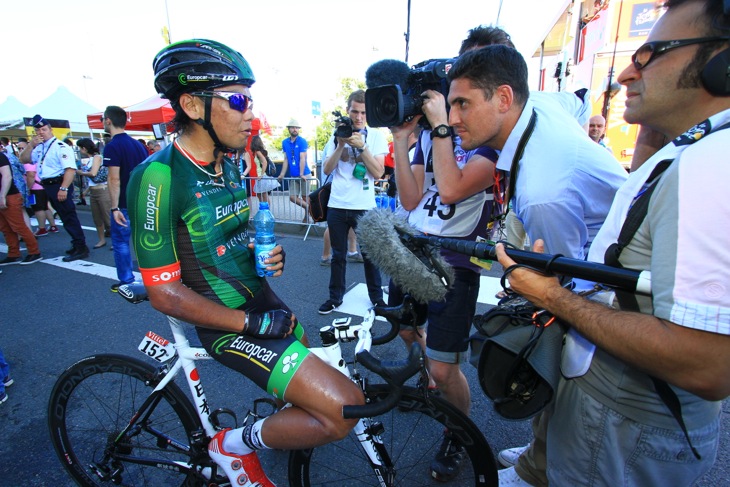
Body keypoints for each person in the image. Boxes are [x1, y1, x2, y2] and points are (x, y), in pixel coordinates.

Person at [494, 1, 730, 485]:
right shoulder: (692, 149)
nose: (624, 73)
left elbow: (706, 363)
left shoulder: (711, 166)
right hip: (618, 415)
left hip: (624, 426)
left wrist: (550, 295)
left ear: (720, 62)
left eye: (648, 56)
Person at [128, 38, 363, 487]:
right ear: (193, 105)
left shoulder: (231, 162)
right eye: (237, 100)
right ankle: (231, 447)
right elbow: (164, 293)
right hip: (226, 322)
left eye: (250, 99)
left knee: (308, 392)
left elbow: (232, 241)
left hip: (261, 301)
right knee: (342, 408)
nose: (249, 111)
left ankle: (266, 436)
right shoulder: (158, 176)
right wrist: (247, 324)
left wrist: (267, 255)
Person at [446, 44, 628, 485]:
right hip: (581, 243)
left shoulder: (545, 187)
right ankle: (539, 450)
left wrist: (532, 287)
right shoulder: (542, 101)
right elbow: (579, 100)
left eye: (462, 104)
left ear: (505, 99)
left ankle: (539, 470)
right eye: (450, 104)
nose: (451, 119)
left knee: (558, 347)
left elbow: (566, 290)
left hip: (608, 279)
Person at [318, 90, 386, 314]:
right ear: (347, 111)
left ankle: (377, 299)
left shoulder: (375, 137)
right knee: (338, 256)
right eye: (355, 111)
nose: (358, 117)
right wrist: (340, 144)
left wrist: (361, 146)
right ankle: (334, 298)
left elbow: (378, 173)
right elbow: (327, 169)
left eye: (363, 113)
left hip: (365, 207)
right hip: (337, 205)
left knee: (370, 256)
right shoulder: (336, 135)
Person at [19, 115, 88, 262]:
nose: (41, 133)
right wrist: (30, 145)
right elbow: (23, 159)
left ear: (50, 130)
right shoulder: (39, 148)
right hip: (48, 185)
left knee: (69, 216)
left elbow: (70, 169)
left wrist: (63, 188)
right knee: (64, 217)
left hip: (59, 184)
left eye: (44, 129)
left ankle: (81, 246)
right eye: (38, 130)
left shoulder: (60, 147)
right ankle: (76, 243)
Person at [102, 105, 149, 291]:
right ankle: (150, 278)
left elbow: (114, 178)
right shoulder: (138, 145)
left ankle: (127, 281)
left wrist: (114, 207)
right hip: (142, 200)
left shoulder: (113, 146)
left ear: (108, 120)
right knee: (144, 241)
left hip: (124, 203)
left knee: (121, 242)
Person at [0, 150, 42, 265]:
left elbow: (7, 176)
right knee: (6, 228)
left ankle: (34, 252)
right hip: (6, 195)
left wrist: (2, 195)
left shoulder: (1, 157)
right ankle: (13, 253)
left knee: (18, 226)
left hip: (9, 196)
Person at [19, 138, 59, 237]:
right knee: (45, 207)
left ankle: (42, 228)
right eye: (19, 148)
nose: (20, 150)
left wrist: (28, 188)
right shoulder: (38, 157)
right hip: (43, 186)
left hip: (36, 187)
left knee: (38, 208)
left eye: (22, 148)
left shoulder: (29, 161)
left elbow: (31, 175)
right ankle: (53, 225)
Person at [76, 138, 112, 248]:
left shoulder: (97, 157)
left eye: (80, 148)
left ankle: (114, 240)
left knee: (107, 217)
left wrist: (80, 172)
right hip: (93, 191)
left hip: (102, 190)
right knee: (97, 218)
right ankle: (102, 239)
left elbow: (93, 173)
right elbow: (92, 179)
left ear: (84, 148)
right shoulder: (91, 159)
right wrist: (86, 191)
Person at [280, 118, 311, 215]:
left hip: (304, 174)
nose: (295, 129)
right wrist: (281, 174)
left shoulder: (302, 141)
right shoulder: (285, 142)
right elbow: (286, 159)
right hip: (294, 175)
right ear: (288, 129)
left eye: (297, 128)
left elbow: (302, 158)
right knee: (292, 197)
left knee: (305, 197)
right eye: (293, 127)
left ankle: (308, 217)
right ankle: (310, 209)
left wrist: (301, 174)